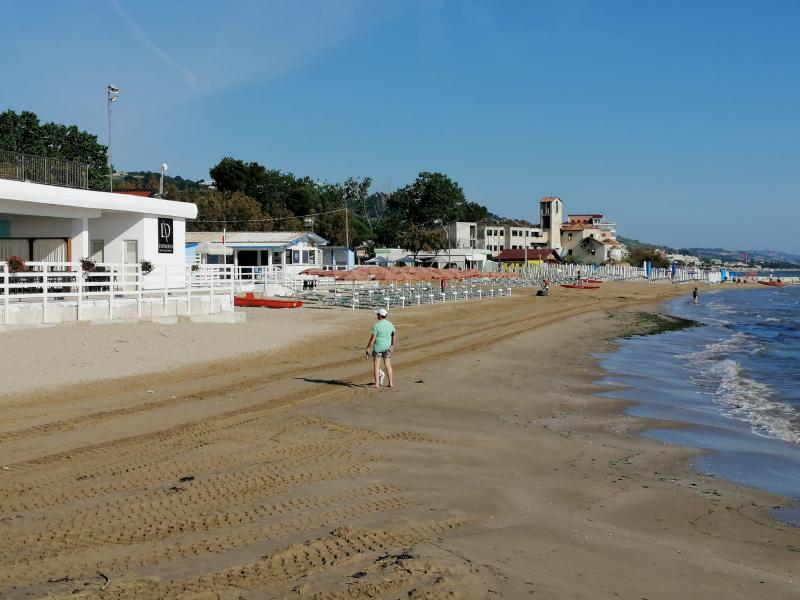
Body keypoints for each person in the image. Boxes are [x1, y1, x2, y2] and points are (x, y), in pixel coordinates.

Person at [365, 308, 395, 388]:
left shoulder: (376, 325)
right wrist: (392, 346)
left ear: (379, 316)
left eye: (377, 314)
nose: (376, 315)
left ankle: (377, 383)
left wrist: (368, 348)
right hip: (387, 347)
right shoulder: (390, 324)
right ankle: (391, 383)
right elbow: (393, 336)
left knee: (376, 365)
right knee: (388, 365)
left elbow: (373, 339)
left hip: (378, 347)